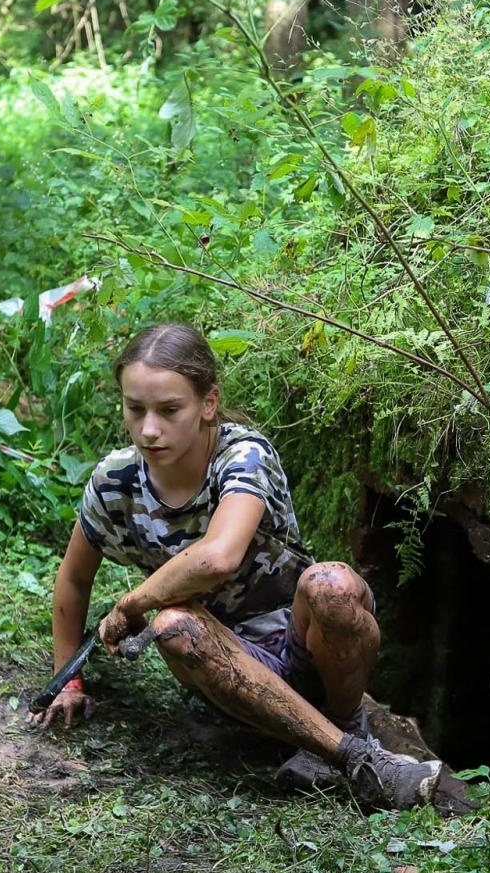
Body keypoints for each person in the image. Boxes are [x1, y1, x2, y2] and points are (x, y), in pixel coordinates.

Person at [27, 323, 443, 809]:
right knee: (173, 624)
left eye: (169, 410)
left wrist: (131, 603)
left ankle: (347, 724)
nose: (148, 429)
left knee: (332, 584)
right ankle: (353, 758)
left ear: (207, 403)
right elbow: (74, 578)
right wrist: (68, 680)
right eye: (134, 408)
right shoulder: (114, 481)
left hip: (305, 641)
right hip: (223, 665)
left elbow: (216, 556)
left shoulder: (243, 455)